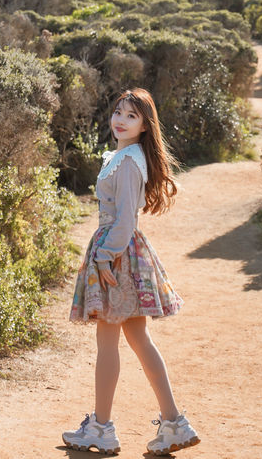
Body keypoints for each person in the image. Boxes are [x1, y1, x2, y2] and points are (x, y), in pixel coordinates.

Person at [63, 88, 200, 456]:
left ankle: (102, 429)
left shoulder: (126, 162)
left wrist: (105, 257)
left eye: (131, 116)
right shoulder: (124, 156)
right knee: (139, 340)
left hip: (118, 255)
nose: (120, 120)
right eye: (118, 112)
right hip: (123, 252)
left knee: (108, 341)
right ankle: (174, 423)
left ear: (144, 126)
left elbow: (126, 219)